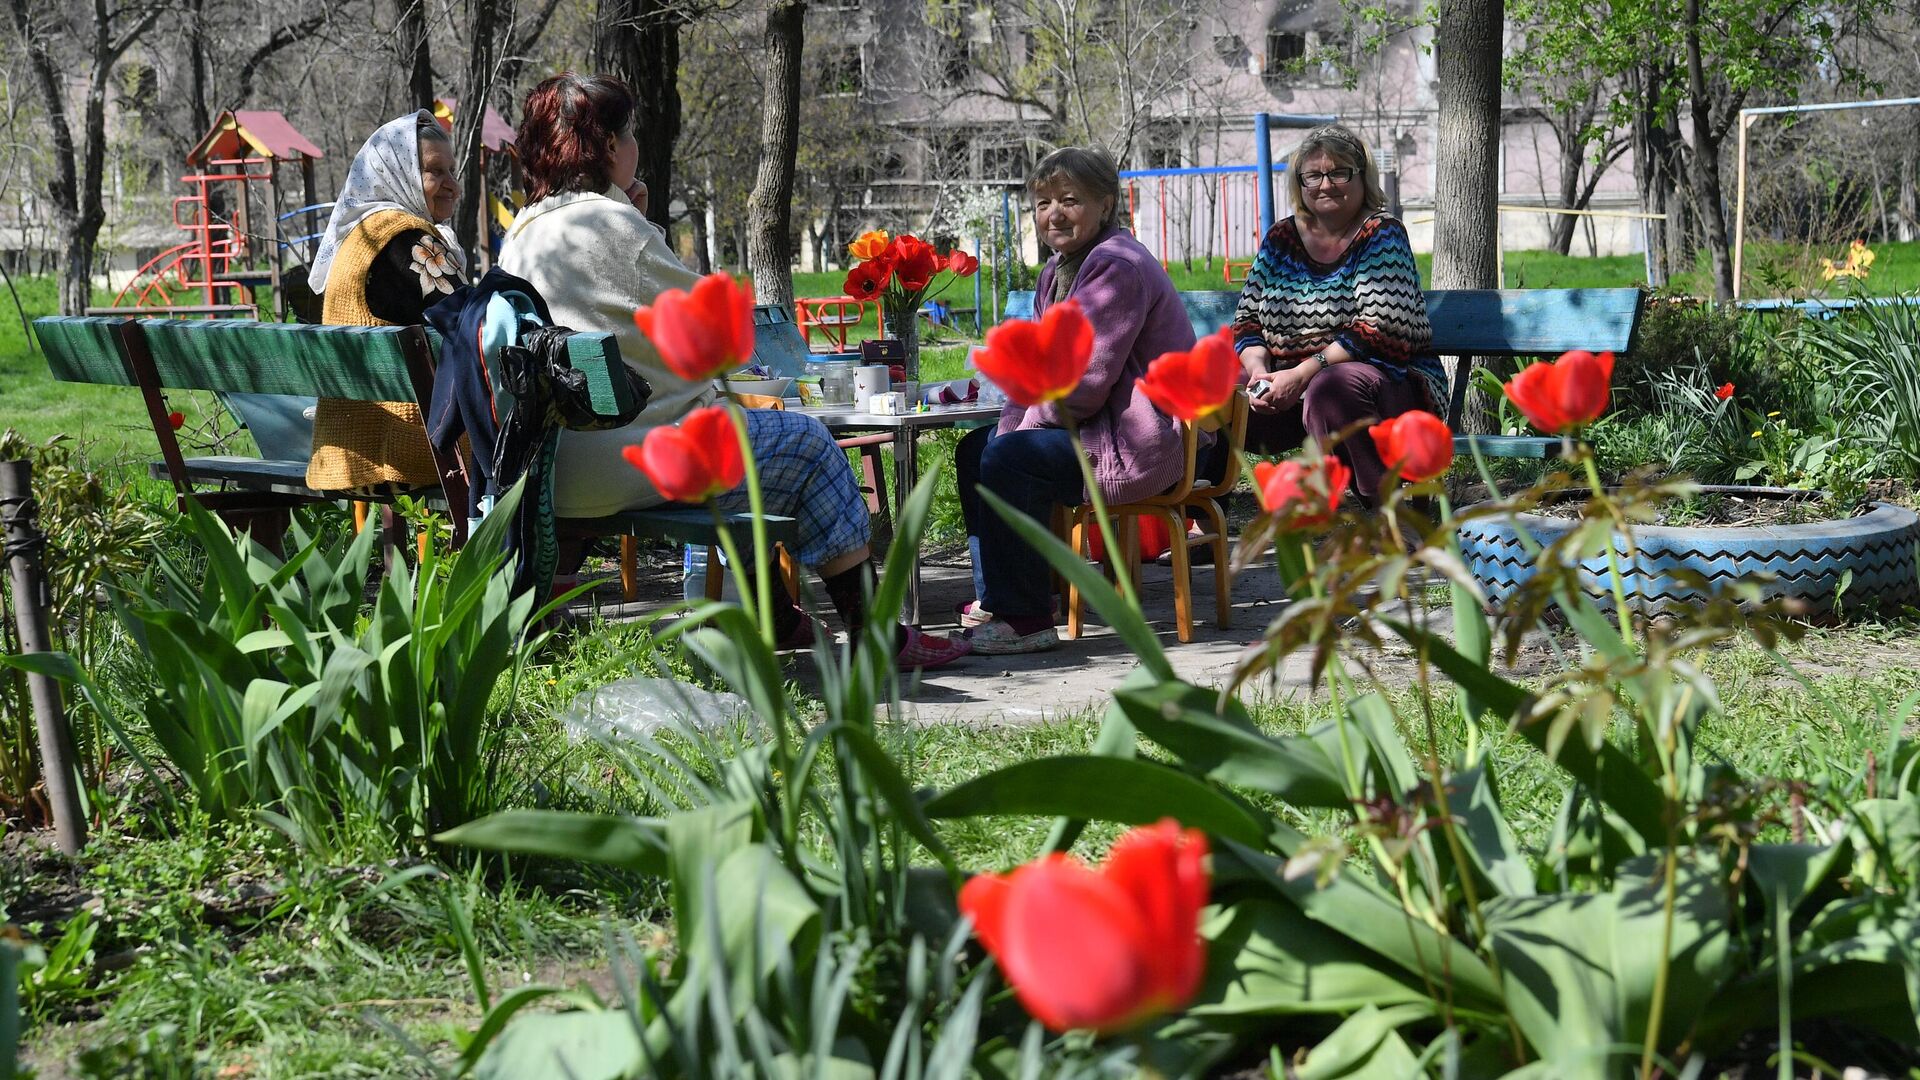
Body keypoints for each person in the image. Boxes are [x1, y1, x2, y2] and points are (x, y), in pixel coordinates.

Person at [498, 72, 966, 668]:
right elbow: (715, 327)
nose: (636, 146)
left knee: (756, 454)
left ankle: (777, 614)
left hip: (553, 472)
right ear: (610, 146)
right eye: (632, 134)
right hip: (633, 463)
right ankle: (876, 634)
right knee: (809, 446)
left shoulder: (523, 232)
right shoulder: (613, 227)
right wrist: (642, 229)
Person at [954, 147, 1197, 655]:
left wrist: (1019, 436)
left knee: (1010, 459)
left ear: (1105, 204)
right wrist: (1010, 426)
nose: (1053, 214)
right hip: (1094, 429)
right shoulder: (1058, 271)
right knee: (978, 449)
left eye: (1070, 200)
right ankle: (1001, 596)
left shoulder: (1116, 266)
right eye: (1043, 203)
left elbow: (1083, 381)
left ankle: (1026, 620)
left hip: (1142, 442)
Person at [1223, 124, 1446, 505]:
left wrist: (1302, 373)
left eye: (1339, 172)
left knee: (1332, 388)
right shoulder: (1282, 239)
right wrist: (1260, 371)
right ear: (1300, 183)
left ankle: (1386, 514)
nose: (1325, 184)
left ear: (1361, 177)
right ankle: (1202, 516)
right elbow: (1246, 321)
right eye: (1313, 175)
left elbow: (1379, 330)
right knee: (1217, 394)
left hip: (1387, 388)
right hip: (1290, 393)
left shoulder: (1381, 233)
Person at [306, 112, 465, 490]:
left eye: (452, 171)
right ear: (400, 173)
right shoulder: (406, 240)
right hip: (403, 453)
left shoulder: (358, 235)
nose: (453, 186)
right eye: (434, 172)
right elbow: (473, 321)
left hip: (347, 448)